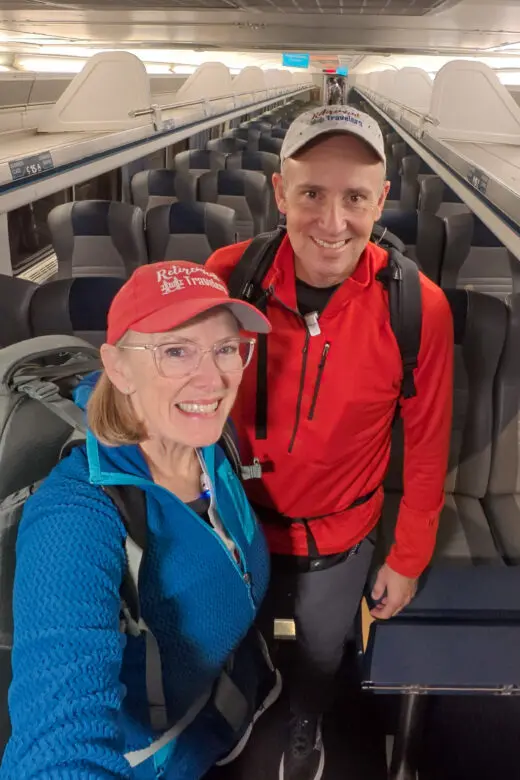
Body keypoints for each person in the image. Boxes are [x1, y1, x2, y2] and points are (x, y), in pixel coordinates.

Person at [205, 105, 454, 780]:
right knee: (231, 646)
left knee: (319, 655)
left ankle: (306, 722)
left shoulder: (416, 307)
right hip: (236, 524)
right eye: (312, 192)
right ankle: (238, 720)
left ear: (382, 201)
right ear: (280, 192)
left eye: (354, 198)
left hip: (339, 538)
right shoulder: (227, 277)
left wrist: (406, 557)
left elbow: (428, 442)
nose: (332, 221)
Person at [0, 261, 282, 779]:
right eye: (175, 351)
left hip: (231, 699)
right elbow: (59, 737)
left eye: (225, 348)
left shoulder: (211, 441)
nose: (213, 378)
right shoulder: (76, 519)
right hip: (161, 760)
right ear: (119, 366)